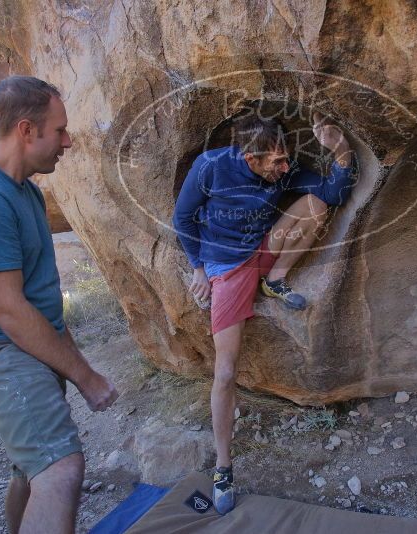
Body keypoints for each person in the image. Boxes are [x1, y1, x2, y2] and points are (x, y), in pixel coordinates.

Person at [0, 76, 118, 534]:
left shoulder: (24, 190)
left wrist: (74, 365)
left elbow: (39, 302)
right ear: (27, 130)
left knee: (32, 468)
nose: (68, 141)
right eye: (60, 130)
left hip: (24, 345)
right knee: (61, 468)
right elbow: (7, 310)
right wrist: (87, 378)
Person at [172, 111, 354, 514]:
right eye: (276, 162)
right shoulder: (211, 167)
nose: (286, 167)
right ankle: (223, 467)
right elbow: (182, 218)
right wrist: (198, 269)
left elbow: (334, 193)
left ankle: (276, 279)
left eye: (286, 158)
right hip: (227, 267)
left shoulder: (282, 171)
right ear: (250, 158)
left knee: (315, 204)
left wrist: (340, 150)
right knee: (225, 370)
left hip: (264, 249)